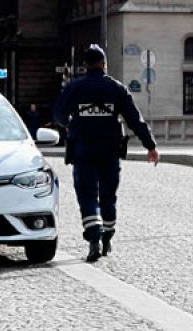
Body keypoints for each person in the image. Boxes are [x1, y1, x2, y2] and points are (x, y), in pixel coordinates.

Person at [53, 44, 159, 262]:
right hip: (110, 151)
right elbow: (134, 119)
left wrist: (72, 121)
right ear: (104, 64)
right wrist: (150, 146)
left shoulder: (74, 88)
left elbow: (59, 116)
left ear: (84, 66)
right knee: (108, 196)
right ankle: (107, 236)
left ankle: (94, 239)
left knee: (87, 195)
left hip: (83, 151)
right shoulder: (116, 88)